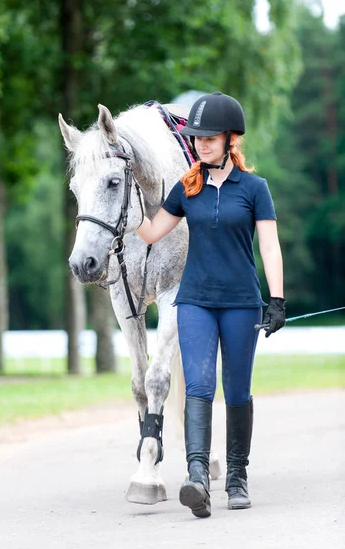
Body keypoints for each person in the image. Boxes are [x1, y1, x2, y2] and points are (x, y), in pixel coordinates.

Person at [135, 91, 286, 518]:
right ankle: (197, 478)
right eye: (197, 137)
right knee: (199, 388)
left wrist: (276, 300)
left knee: (237, 391)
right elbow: (151, 232)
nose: (201, 143)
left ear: (229, 139)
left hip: (241, 303)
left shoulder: (255, 189)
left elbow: (271, 248)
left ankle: (237, 477)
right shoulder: (187, 187)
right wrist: (126, 205)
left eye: (209, 137)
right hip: (196, 301)